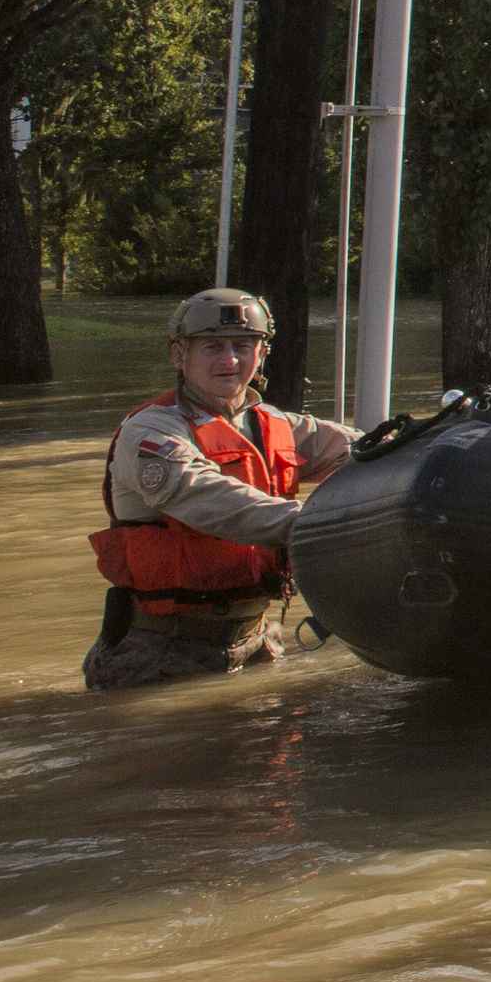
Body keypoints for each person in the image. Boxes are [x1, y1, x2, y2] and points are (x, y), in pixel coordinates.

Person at [82, 288, 360, 691]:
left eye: (243, 345)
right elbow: (209, 498)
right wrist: (320, 522)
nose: (229, 360)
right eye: (212, 347)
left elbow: (367, 449)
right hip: (159, 653)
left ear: (262, 354)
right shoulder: (150, 433)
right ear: (180, 355)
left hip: (258, 641)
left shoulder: (274, 424)